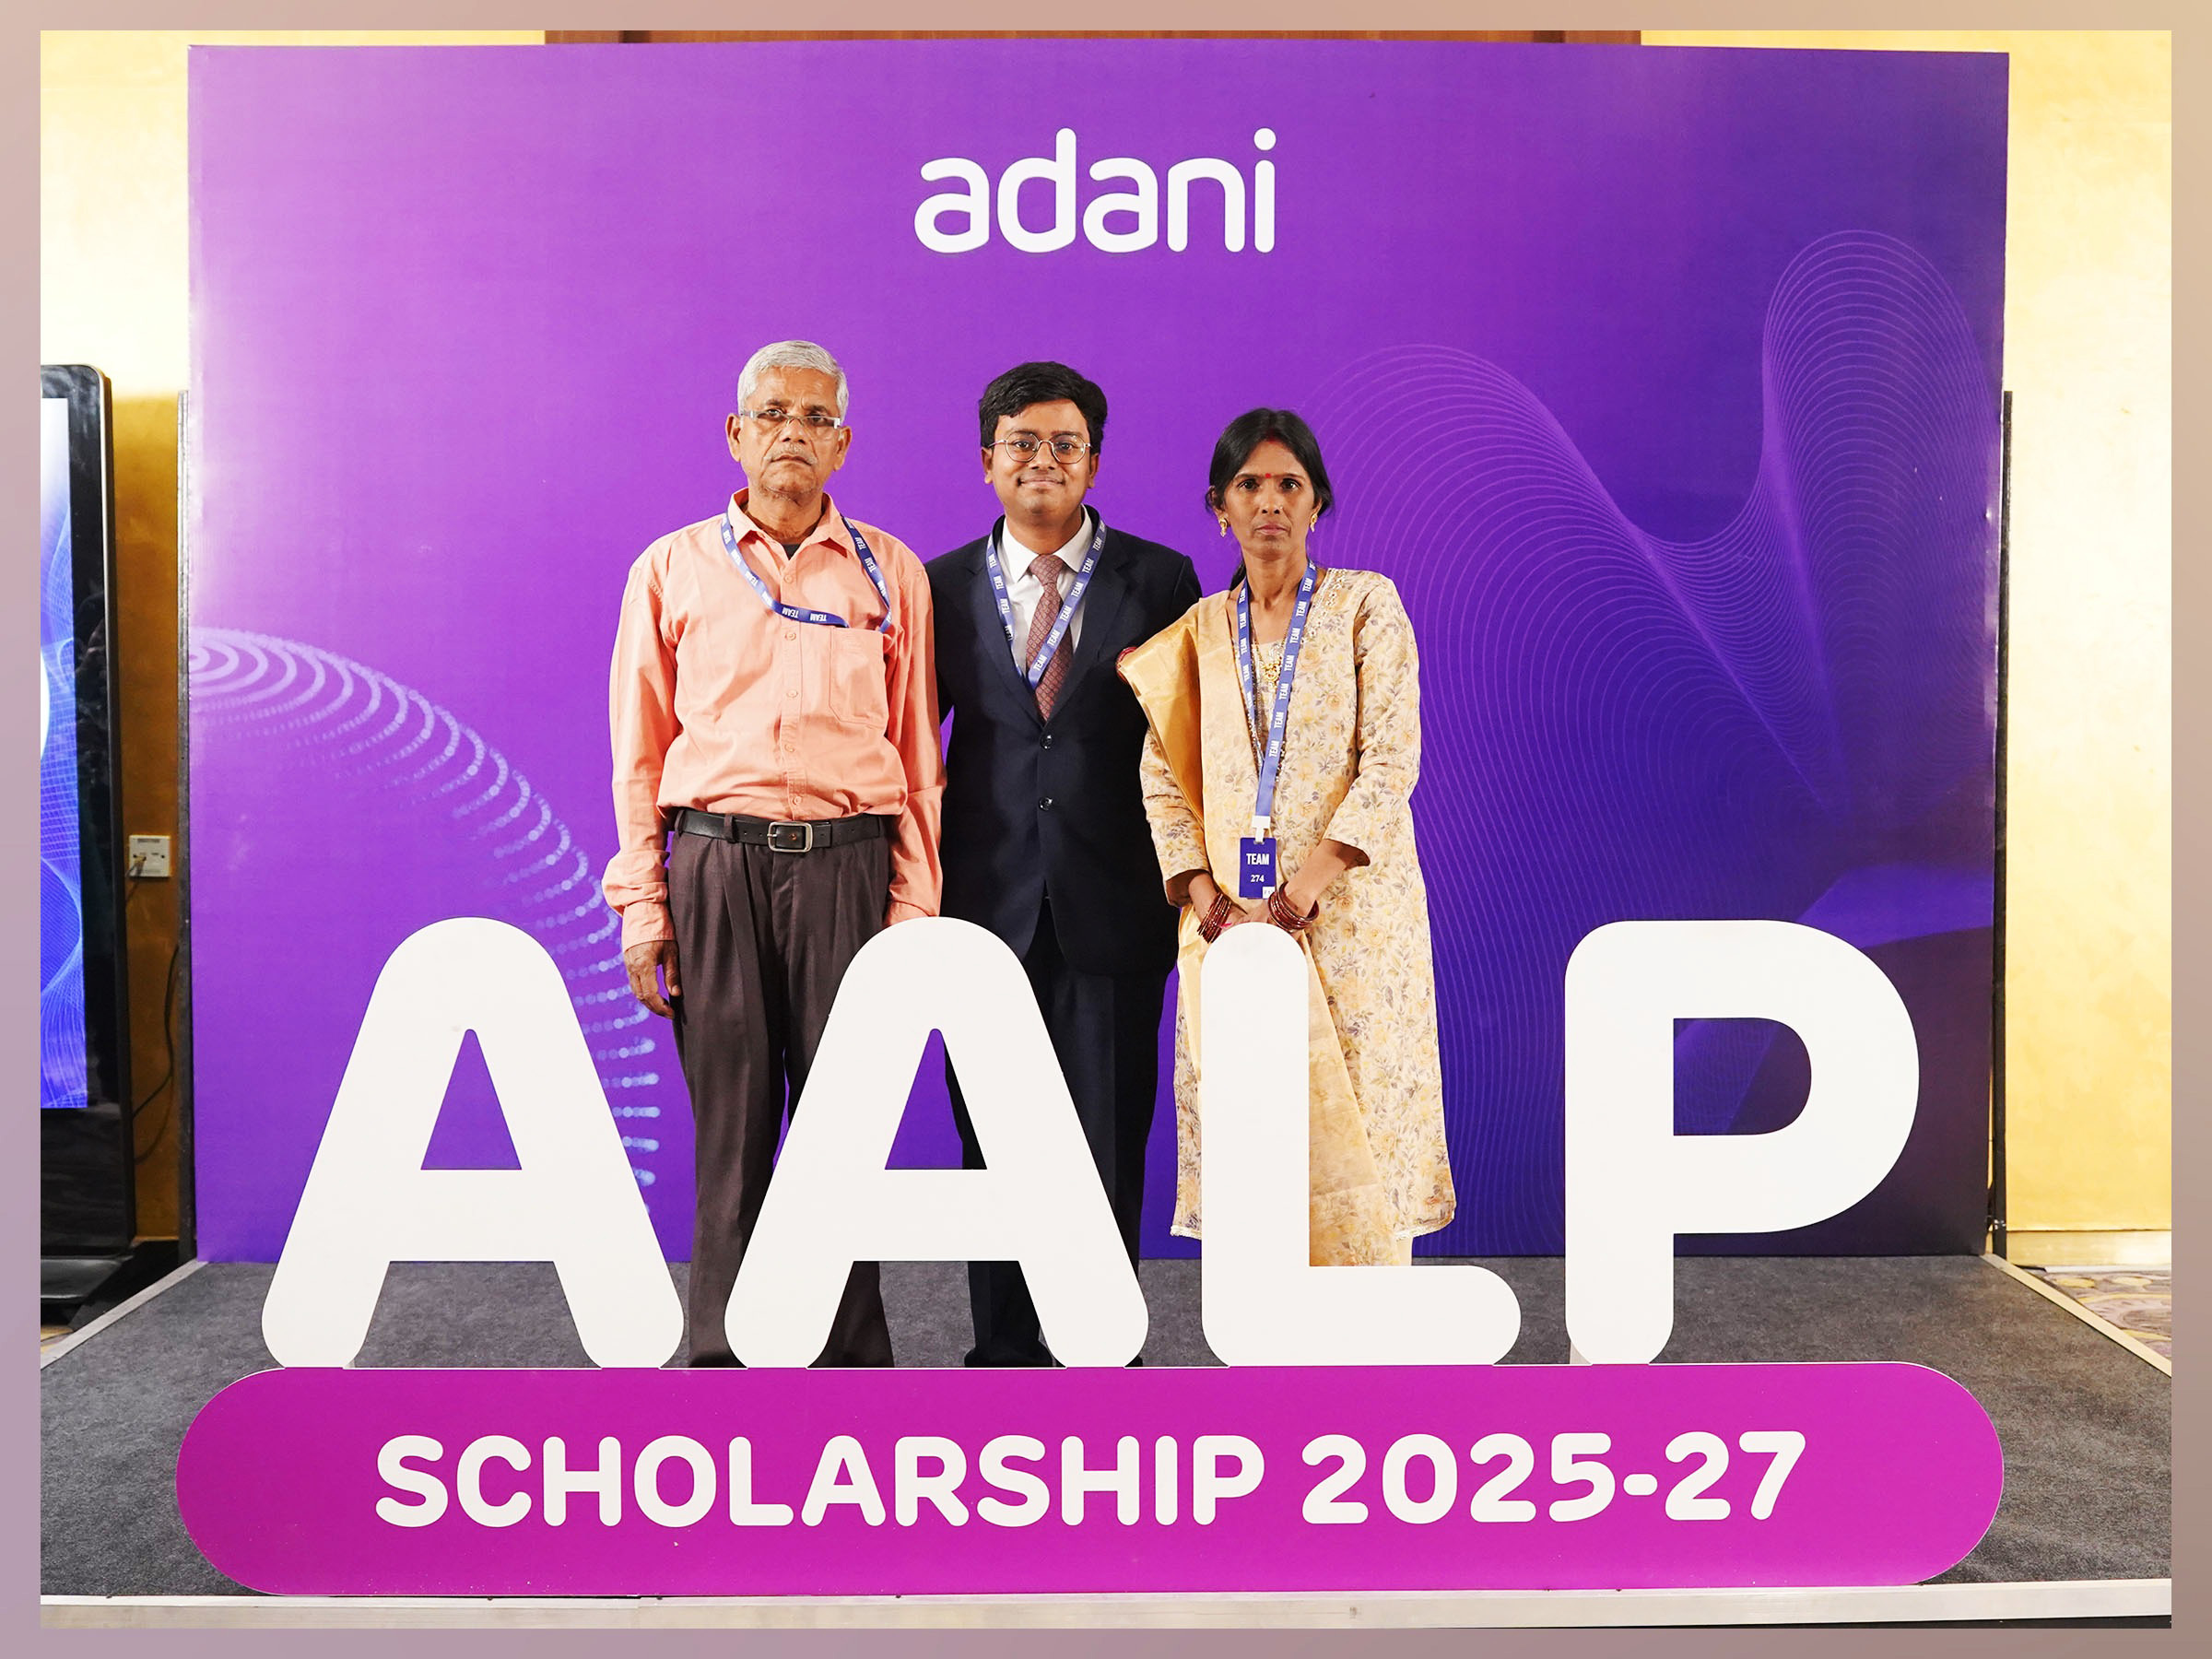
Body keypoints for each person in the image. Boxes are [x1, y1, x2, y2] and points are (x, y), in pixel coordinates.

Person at [604, 340, 943, 1366]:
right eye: (772, 413)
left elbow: (920, 754)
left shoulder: (892, 572)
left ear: (843, 442)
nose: (792, 432)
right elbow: (639, 749)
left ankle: (849, 1371)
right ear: (736, 433)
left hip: (848, 865)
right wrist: (644, 905)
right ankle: (720, 1365)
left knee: (844, 1134)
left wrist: (914, 909)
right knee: (732, 1135)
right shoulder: (670, 568)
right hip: (715, 866)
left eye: (814, 418)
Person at [1119, 408, 1454, 1265]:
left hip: (1349, 924)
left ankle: (1373, 1371)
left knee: (1364, 1121)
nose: (1270, 502)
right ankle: (1268, 1367)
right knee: (1258, 1128)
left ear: (1318, 503)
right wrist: (1204, 899)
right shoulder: (1197, 633)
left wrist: (1304, 889)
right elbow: (1163, 777)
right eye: (1249, 486)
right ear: (1218, 507)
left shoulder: (1362, 607)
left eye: (1289, 485)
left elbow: (1390, 760)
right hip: (1234, 924)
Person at [927, 361, 1201, 1364]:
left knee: (1105, 1136)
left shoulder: (1161, 579)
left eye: (1065, 444)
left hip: (1114, 904)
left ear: (1094, 460)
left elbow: (1188, 748)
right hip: (982, 907)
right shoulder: (938, 584)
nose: (1043, 460)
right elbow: (916, 757)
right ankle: (999, 1351)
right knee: (991, 1143)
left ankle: (1098, 1347)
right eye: (1022, 443)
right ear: (987, 461)